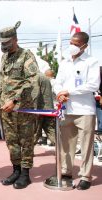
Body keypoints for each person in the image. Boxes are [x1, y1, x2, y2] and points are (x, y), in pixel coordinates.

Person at [54, 32, 100, 190]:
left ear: (84, 46)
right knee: (66, 144)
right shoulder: (64, 62)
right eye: (71, 42)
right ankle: (66, 172)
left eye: (76, 43)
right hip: (66, 110)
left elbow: (93, 85)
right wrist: (59, 93)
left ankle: (86, 176)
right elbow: (57, 82)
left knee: (86, 145)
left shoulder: (91, 62)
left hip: (85, 110)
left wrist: (69, 92)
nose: (72, 46)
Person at [0, 21, 39, 189]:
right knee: (12, 141)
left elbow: (32, 80)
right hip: (6, 110)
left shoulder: (26, 56)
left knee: (25, 141)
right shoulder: (4, 57)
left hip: (22, 108)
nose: (4, 46)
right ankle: (15, 170)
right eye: (2, 43)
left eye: (7, 43)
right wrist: (1, 102)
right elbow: (2, 82)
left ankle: (25, 174)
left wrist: (14, 100)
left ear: (15, 39)